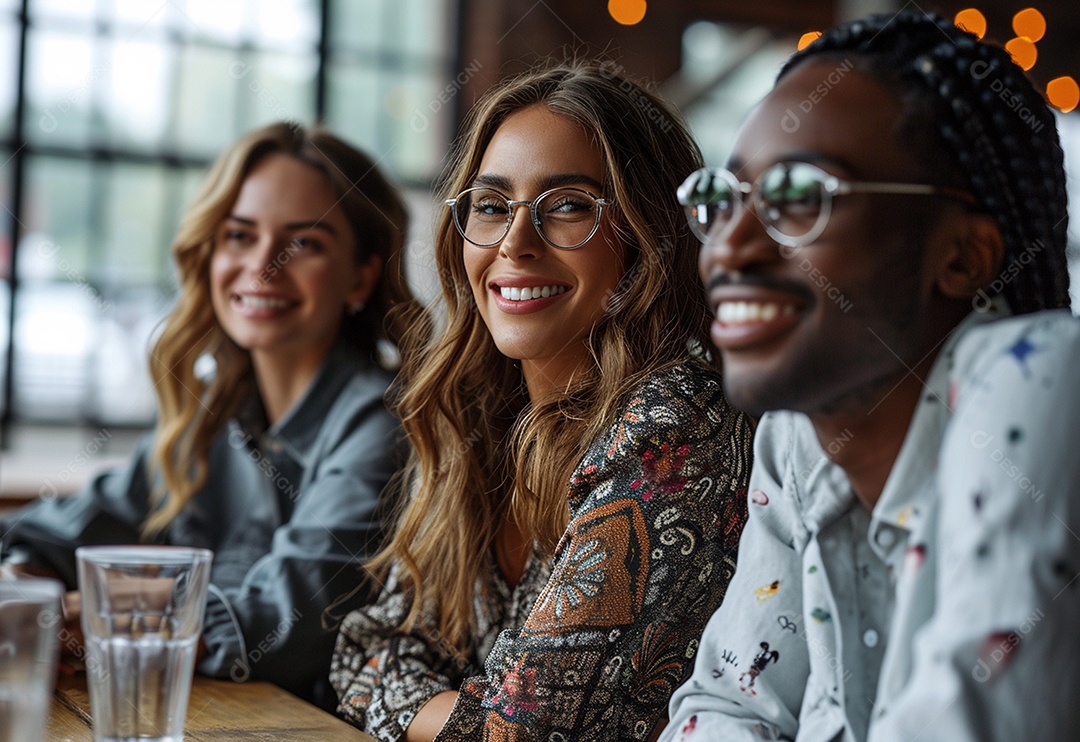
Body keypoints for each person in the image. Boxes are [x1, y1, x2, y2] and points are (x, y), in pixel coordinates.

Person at [664, 10, 1080, 741]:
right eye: (722, 200)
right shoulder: (797, 438)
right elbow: (724, 706)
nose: (731, 244)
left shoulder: (1046, 378)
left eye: (798, 197)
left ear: (962, 256)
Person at [329, 61, 755, 742]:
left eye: (569, 207)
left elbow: (523, 733)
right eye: (493, 206)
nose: (515, 245)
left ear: (650, 238)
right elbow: (365, 648)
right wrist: (468, 713)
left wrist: (433, 708)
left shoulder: (676, 428)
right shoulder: (477, 412)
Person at [0, 122, 417, 710]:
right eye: (239, 235)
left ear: (361, 276)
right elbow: (67, 530)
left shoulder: (384, 421)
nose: (263, 266)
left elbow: (289, 617)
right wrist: (21, 582)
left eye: (304, 242)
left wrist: (99, 610)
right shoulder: (209, 414)